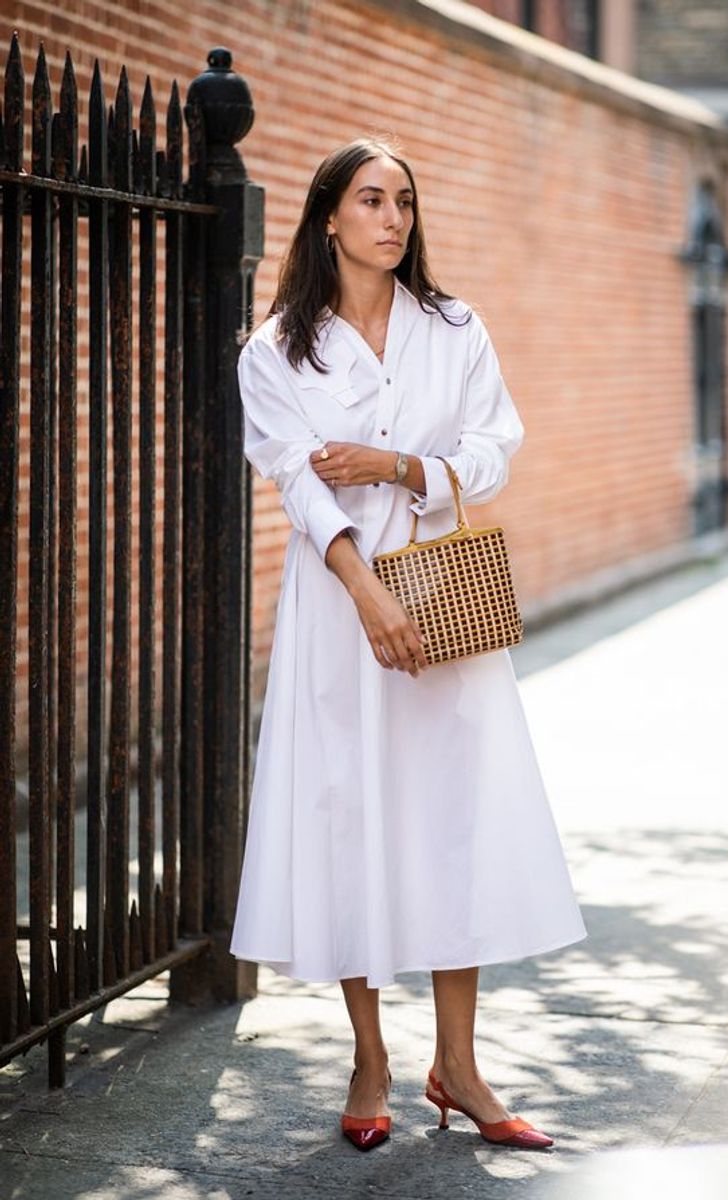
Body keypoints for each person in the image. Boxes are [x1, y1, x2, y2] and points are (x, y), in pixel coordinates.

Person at [229, 136, 588, 1152]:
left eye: (405, 202)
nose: (393, 218)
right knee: (352, 816)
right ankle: (369, 1057)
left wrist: (397, 466)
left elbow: (493, 449)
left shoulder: (454, 330)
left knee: (449, 819)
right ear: (328, 218)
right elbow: (298, 483)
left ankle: (459, 1066)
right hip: (340, 613)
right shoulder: (274, 353)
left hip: (443, 605)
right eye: (371, 200)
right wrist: (366, 596)